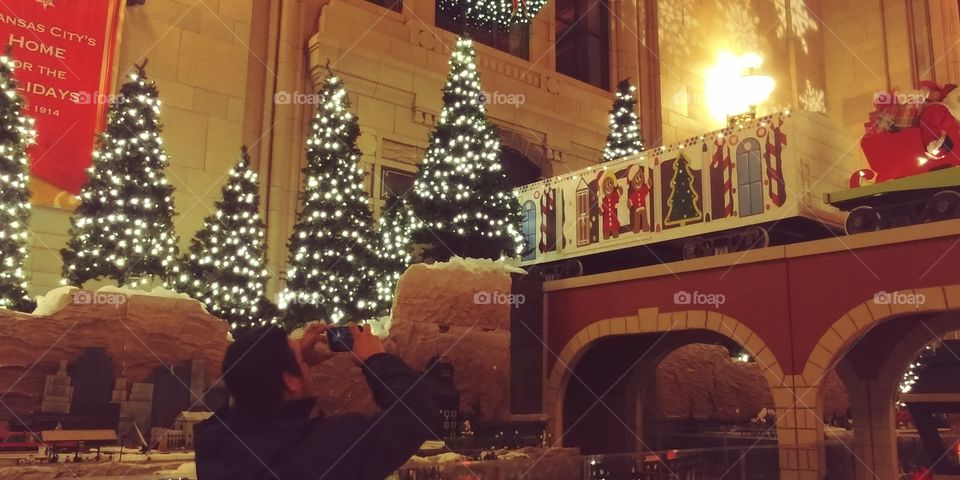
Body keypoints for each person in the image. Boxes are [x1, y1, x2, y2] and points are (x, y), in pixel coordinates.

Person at [194, 322, 440, 480]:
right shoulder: (329, 446)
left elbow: (243, 394)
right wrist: (375, 360)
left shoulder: (214, 443)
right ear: (290, 381)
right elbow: (415, 413)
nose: (307, 367)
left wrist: (288, 367)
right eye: (302, 362)